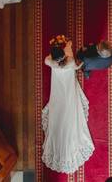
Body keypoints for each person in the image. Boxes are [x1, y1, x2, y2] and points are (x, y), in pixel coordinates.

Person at [42, 40, 95, 174]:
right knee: (69, 109)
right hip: (68, 86)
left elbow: (48, 58)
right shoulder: (70, 62)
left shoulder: (49, 61)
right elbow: (77, 66)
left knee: (59, 109)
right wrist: (69, 46)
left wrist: (64, 47)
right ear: (63, 57)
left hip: (58, 88)